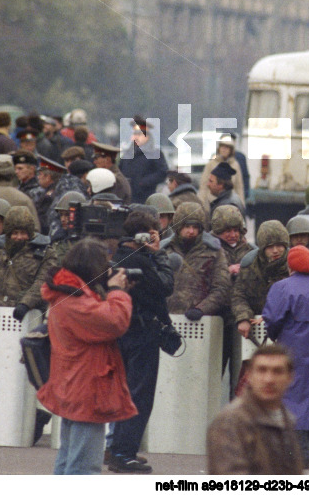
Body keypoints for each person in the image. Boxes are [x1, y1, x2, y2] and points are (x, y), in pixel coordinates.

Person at [37, 238, 137, 475]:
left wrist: (111, 292)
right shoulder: (73, 299)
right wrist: (117, 292)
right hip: (86, 386)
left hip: (75, 383)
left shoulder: (69, 291)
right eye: (104, 264)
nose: (108, 268)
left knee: (69, 459)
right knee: (84, 467)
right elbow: (114, 322)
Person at [104, 208, 175, 474]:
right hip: (142, 334)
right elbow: (166, 285)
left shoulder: (120, 256)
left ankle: (118, 449)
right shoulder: (144, 260)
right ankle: (124, 453)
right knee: (139, 395)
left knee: (124, 392)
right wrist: (159, 253)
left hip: (122, 333)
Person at [262, 245, 309, 469]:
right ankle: (303, 452)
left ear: (291, 265)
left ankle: (292, 453)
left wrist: (274, 336)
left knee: (289, 399)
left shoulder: (282, 287)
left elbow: (273, 319)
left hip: (292, 350)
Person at [206, 344, 304, 475]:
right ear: (249, 376)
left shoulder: (286, 419)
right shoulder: (231, 421)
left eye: (278, 371)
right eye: (262, 370)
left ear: (290, 378)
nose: (269, 379)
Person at [165, 202, 231, 322]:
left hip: (199, 321)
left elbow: (221, 287)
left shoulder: (214, 251)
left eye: (195, 227)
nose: (191, 231)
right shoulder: (164, 250)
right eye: (187, 226)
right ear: (178, 227)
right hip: (167, 318)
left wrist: (201, 309)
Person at [231, 221, 290, 337]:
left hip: (285, 327)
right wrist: (243, 317)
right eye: (270, 247)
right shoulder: (249, 266)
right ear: (262, 249)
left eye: (279, 245)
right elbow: (238, 295)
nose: (275, 251)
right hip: (255, 327)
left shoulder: (294, 265)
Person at [118, 116, 169, 204]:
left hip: (146, 198)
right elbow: (120, 171)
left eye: (139, 134)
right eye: (134, 134)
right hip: (127, 199)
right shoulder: (127, 153)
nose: (136, 137)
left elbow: (162, 172)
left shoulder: (155, 153)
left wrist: (143, 182)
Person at [0, 154, 40, 221]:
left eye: (20, 169)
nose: (17, 172)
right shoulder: (23, 199)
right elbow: (35, 228)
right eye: (16, 169)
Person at [199, 133, 246, 206]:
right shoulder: (211, 164)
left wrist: (241, 205)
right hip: (212, 203)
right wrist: (201, 203)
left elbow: (239, 187)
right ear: (219, 148)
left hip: (230, 203)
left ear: (231, 150)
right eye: (222, 147)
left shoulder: (235, 165)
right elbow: (203, 186)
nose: (224, 150)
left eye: (227, 147)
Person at [212, 204, 256, 275]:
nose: (233, 235)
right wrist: (227, 271)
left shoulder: (248, 250)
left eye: (236, 230)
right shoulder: (209, 250)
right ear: (218, 231)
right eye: (228, 231)